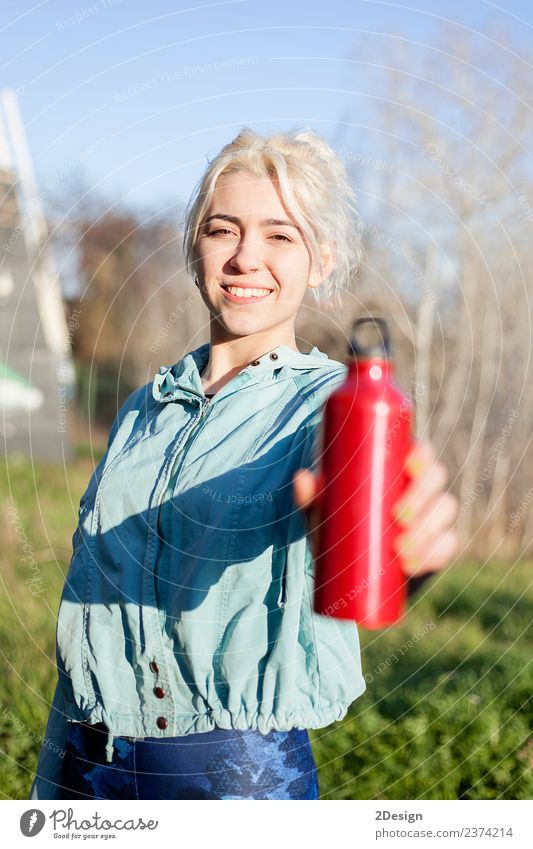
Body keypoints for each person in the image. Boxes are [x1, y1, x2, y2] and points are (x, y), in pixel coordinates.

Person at [29, 127, 459, 801]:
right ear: (195, 247)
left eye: (280, 235)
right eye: (222, 229)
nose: (244, 257)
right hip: (83, 754)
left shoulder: (330, 407)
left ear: (321, 259)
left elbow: (365, 518)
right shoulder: (148, 404)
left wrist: (404, 553)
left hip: (234, 775)